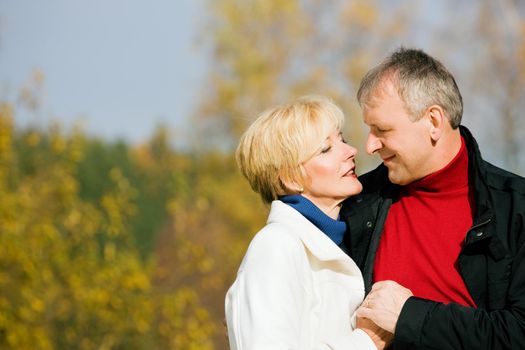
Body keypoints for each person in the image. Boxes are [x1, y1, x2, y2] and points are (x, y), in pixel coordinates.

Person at [340, 47, 525, 349]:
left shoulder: (516, 207)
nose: (370, 145)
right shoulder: (357, 203)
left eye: (382, 130)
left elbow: (518, 333)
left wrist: (410, 316)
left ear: (434, 122)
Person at [225, 96, 392, 349]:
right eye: (326, 149)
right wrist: (366, 342)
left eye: (342, 139)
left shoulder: (343, 243)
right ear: (290, 178)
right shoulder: (275, 246)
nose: (351, 151)